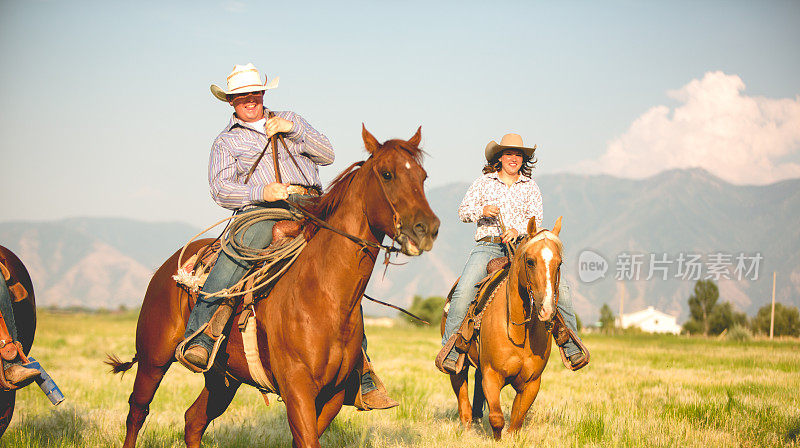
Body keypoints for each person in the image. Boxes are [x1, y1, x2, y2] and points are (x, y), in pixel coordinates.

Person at [177, 63, 397, 409]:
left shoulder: (291, 118)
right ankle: (202, 329)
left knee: (343, 278)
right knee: (242, 249)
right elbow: (220, 189)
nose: (250, 100)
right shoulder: (226, 141)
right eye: (241, 96)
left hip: (314, 203)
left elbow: (328, 154)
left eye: (255, 93)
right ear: (231, 102)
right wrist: (262, 192)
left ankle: (360, 368)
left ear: (263, 94)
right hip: (263, 209)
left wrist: (294, 130)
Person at [440, 133, 589, 416]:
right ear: (498, 158)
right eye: (509, 154)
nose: (514, 159)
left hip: (522, 249)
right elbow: (462, 211)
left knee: (561, 289)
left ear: (524, 159)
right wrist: (481, 211)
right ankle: (454, 350)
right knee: (462, 293)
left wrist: (519, 231)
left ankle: (569, 343)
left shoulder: (530, 187)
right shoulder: (483, 183)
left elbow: (537, 219)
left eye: (519, 155)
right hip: (488, 247)